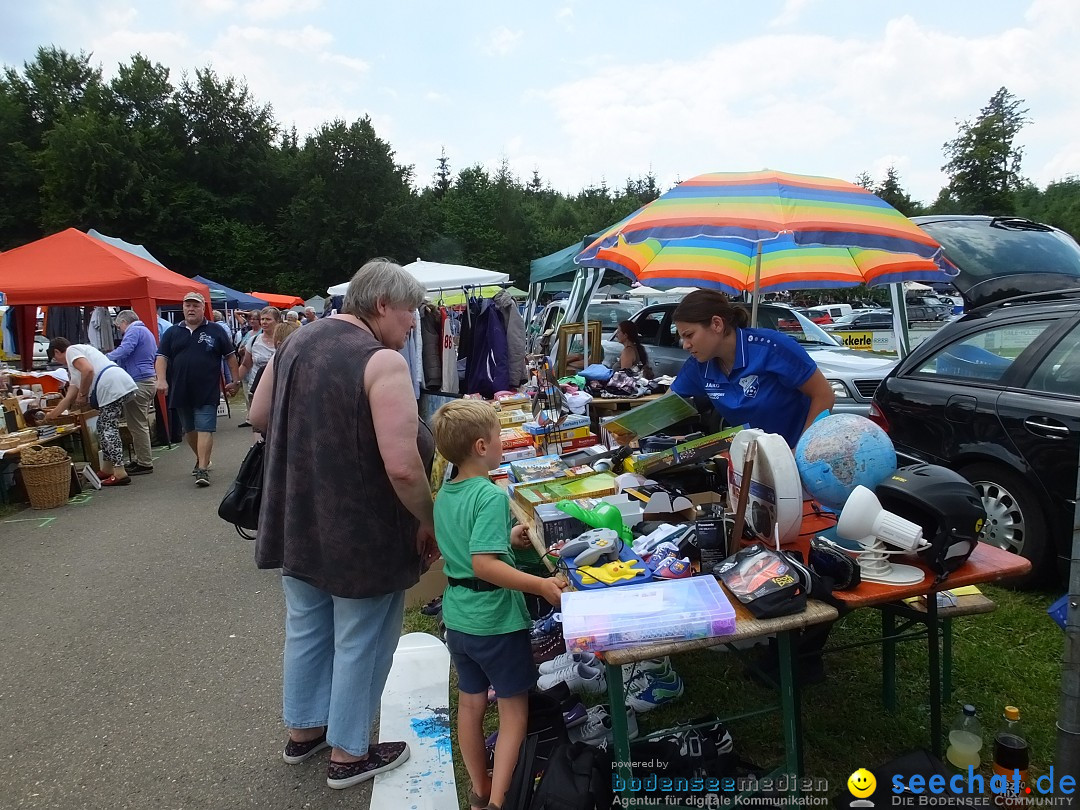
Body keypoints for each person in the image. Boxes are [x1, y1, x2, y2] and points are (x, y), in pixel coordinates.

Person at [250, 258, 438, 791]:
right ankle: (349, 754)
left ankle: (304, 731)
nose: (412, 325)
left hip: (296, 515)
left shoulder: (294, 341)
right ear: (382, 305)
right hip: (360, 527)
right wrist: (429, 522)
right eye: (409, 313)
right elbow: (402, 465)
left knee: (307, 626)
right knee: (362, 636)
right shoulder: (381, 362)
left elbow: (260, 416)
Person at [431, 399, 564, 810]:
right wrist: (540, 585)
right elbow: (484, 566)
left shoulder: (445, 494)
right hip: (495, 621)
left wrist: (508, 540)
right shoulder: (490, 496)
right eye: (498, 437)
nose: (503, 443)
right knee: (513, 714)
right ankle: (501, 801)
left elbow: (465, 552)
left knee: (470, 704)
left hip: (459, 619)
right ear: (481, 447)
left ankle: (479, 789)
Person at [669, 290, 835, 447]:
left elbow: (824, 395)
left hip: (801, 459)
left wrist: (801, 450)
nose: (685, 345)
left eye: (689, 335)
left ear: (717, 324)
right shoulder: (699, 364)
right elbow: (662, 409)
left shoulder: (773, 347)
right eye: (682, 338)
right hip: (753, 459)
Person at [155, 291, 241, 487]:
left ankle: (202, 469)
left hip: (207, 388)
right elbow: (162, 357)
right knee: (190, 430)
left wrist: (235, 380)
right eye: (188, 305)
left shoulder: (216, 331)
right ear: (183, 308)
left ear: (204, 308)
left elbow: (230, 356)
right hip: (181, 388)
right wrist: (161, 380)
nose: (191, 309)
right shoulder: (172, 332)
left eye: (195, 305)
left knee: (205, 428)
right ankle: (200, 458)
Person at [46, 338, 137, 486]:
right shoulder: (74, 365)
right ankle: (107, 468)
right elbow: (69, 397)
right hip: (115, 383)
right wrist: (51, 415)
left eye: (55, 357)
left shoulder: (72, 351)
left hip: (111, 385)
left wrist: (82, 395)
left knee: (108, 428)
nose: (58, 361)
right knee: (103, 426)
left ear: (57, 351)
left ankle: (120, 471)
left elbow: (88, 370)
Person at [107, 310, 158, 475]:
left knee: (137, 425)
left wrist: (104, 357)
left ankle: (144, 462)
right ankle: (143, 458)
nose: (120, 331)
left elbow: (125, 350)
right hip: (147, 379)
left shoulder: (134, 330)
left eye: (119, 327)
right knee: (139, 423)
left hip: (139, 382)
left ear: (124, 322)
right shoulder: (145, 331)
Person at [237, 307, 280, 427]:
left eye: (268, 319)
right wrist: (235, 382)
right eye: (262, 319)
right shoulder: (254, 340)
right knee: (258, 426)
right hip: (256, 388)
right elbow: (246, 365)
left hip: (277, 388)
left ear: (277, 321)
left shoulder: (284, 340)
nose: (264, 322)